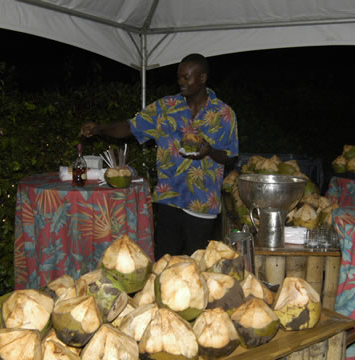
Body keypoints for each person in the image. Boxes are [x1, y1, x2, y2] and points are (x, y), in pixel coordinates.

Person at [80, 53, 239, 260]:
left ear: (202, 78)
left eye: (187, 77)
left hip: (201, 204)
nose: (181, 82)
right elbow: (130, 127)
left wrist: (209, 151)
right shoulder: (165, 107)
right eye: (179, 77)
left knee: (197, 267)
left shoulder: (224, 113)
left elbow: (230, 156)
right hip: (168, 198)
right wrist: (99, 129)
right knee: (164, 264)